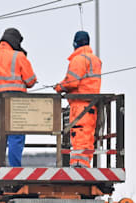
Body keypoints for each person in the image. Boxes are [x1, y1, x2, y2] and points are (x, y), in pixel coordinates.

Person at [0, 28, 37, 167]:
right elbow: (30, 80)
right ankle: (15, 168)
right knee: (16, 136)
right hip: (15, 100)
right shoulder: (18, 56)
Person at [55, 31, 102, 167]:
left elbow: (72, 82)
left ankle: (78, 164)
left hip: (80, 105)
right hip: (91, 105)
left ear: (75, 44)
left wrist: (59, 87)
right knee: (88, 136)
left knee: (79, 134)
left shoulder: (78, 60)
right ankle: (84, 163)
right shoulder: (95, 60)